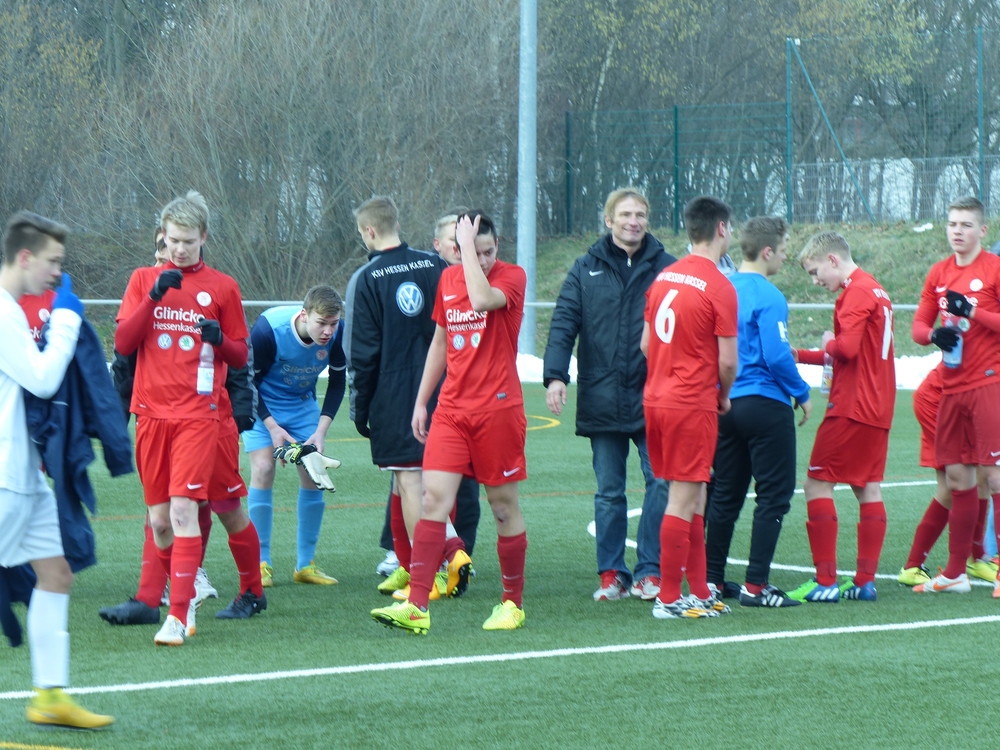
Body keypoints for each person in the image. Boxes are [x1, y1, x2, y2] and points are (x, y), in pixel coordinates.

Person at [371, 210, 528, 633]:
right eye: (473, 252)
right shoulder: (447, 280)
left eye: (489, 251)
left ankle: (512, 603)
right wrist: (422, 401)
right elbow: (441, 339)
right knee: (432, 501)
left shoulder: (511, 277)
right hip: (452, 411)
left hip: (498, 411)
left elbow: (481, 300)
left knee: (502, 507)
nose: (484, 259)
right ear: (454, 252)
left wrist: (471, 260)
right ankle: (418, 605)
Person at [115, 191, 250, 645]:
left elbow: (240, 353)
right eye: (172, 240)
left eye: (188, 242)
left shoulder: (223, 287)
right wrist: (152, 297)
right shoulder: (142, 279)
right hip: (151, 416)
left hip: (198, 415)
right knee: (158, 522)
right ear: (163, 236)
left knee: (182, 510)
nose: (179, 249)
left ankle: (177, 613)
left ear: (203, 238)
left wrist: (220, 340)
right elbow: (124, 343)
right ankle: (183, 595)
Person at [0, 211, 114, 728]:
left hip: (24, 477)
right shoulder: (1, 313)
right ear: (25, 258)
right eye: (53, 263)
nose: (58, 274)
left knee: (56, 574)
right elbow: (44, 379)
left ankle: (49, 697)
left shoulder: (12, 310)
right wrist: (67, 316)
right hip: (4, 480)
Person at [543, 188, 674, 601]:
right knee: (610, 491)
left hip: (656, 395)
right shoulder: (585, 268)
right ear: (609, 220)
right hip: (601, 395)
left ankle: (650, 569)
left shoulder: (669, 268)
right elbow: (564, 322)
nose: (633, 221)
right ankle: (612, 573)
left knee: (662, 481)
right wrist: (555, 376)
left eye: (640, 214)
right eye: (625, 214)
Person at [345, 197, 471, 601]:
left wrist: (360, 409)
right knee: (412, 486)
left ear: (368, 231)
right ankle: (415, 562)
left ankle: (435, 567)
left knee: (410, 482)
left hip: (395, 395)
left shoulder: (368, 278)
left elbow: (363, 354)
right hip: (443, 388)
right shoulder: (435, 266)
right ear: (395, 223)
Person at [704, 216, 811, 608]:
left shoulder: (721, 288)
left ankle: (711, 581)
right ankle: (756, 585)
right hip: (766, 406)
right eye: (782, 250)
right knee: (773, 497)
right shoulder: (769, 295)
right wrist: (801, 393)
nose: (783, 257)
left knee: (725, 496)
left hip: (725, 404)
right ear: (767, 252)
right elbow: (777, 355)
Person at [641, 196, 738, 620]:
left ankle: (698, 590)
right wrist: (721, 395)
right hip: (690, 403)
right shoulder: (719, 284)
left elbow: (646, 345)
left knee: (695, 494)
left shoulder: (664, 277)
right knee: (683, 498)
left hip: (657, 400)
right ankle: (667, 596)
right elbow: (729, 361)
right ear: (722, 229)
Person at [787, 231, 895, 603]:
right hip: (878, 405)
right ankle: (864, 581)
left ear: (833, 259)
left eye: (816, 272)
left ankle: (825, 581)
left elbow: (845, 349)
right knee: (867, 487)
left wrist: (825, 343)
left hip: (852, 406)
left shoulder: (856, 292)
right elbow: (856, 352)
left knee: (816, 484)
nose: (816, 282)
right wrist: (802, 355)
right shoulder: (876, 289)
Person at [376, 213, 482, 575]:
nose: (461, 247)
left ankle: (453, 555)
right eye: (454, 243)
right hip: (422, 391)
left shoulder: (483, 282)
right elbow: (427, 341)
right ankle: (407, 557)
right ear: (438, 246)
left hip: (467, 398)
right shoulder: (433, 276)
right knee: (406, 476)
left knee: (450, 484)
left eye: (465, 241)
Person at [909, 195, 1000, 596]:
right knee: (957, 476)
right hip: (950, 389)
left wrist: (973, 312)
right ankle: (955, 572)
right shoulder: (938, 273)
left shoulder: (994, 269)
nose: (957, 231)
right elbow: (918, 326)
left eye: (965, 225)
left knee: (994, 475)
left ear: (982, 230)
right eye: (951, 224)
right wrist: (934, 335)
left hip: (988, 384)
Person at [244, 285, 347, 587]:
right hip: (263, 404)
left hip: (302, 405)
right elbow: (247, 382)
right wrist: (273, 428)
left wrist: (320, 432)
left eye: (334, 323)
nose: (328, 331)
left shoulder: (337, 335)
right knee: (263, 469)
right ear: (304, 315)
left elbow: (338, 384)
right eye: (321, 323)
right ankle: (261, 563)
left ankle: (305, 565)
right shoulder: (268, 330)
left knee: (313, 473)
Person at [897, 363, 997, 586]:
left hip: (963, 401)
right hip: (942, 401)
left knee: (978, 476)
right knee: (958, 483)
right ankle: (914, 567)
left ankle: (977, 558)